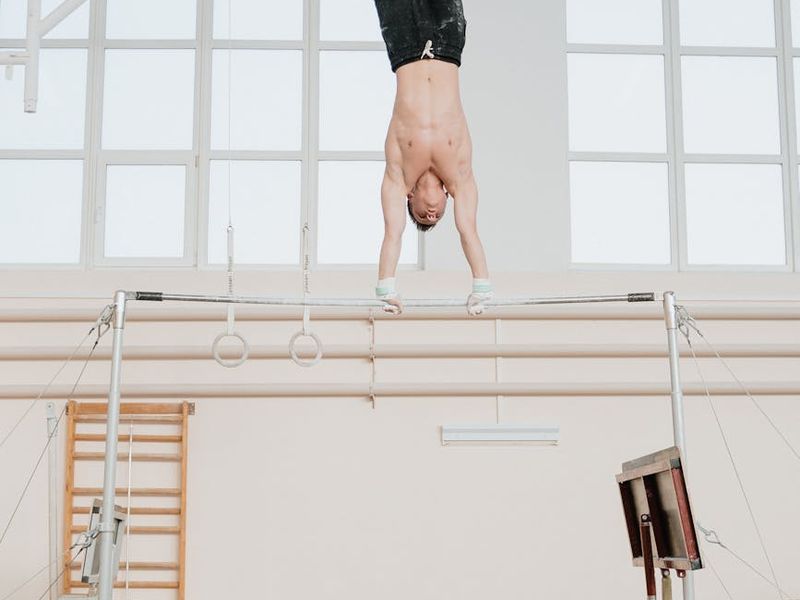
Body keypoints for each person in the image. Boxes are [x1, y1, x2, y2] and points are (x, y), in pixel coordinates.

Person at [373, 0, 492, 316]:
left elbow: (392, 234)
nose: (431, 213)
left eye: (423, 216)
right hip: (446, 42)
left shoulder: (397, 176)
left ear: (409, 199)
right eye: (437, 215)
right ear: (445, 199)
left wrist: (386, 289)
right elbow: (468, 230)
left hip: (406, 45)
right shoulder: (460, 175)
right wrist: (481, 288)